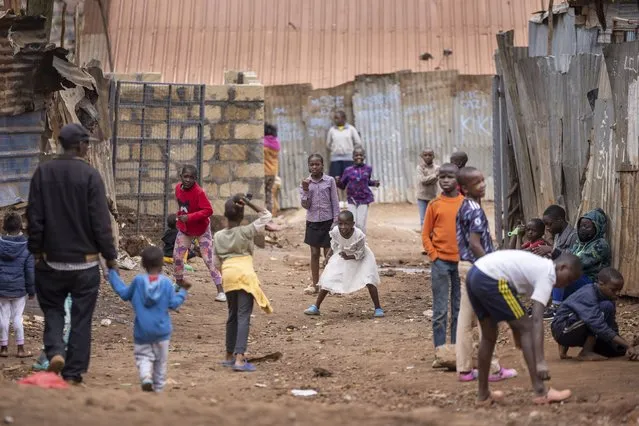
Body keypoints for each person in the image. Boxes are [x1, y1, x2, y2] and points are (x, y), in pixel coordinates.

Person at [27, 123, 118, 384]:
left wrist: (35, 251)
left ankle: (55, 350)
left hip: (50, 263)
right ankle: (74, 372)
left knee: (53, 312)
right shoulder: (90, 176)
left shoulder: (42, 174)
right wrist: (110, 257)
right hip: (85, 266)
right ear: (79, 145)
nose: (88, 147)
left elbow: (35, 218)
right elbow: (100, 223)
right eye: (87, 143)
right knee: (81, 319)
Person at [466, 250, 581, 405]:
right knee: (526, 327)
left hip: (475, 274)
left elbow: (514, 304)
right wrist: (540, 361)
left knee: (489, 336)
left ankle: (483, 395)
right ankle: (541, 392)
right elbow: (536, 320)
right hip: (492, 279)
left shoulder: (538, 265)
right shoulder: (548, 274)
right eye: (568, 279)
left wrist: (516, 330)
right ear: (562, 267)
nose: (565, 285)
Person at [455, 167, 517, 383]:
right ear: (464, 188)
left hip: (465, 266)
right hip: (478, 268)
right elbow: (474, 243)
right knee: (486, 320)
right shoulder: (475, 211)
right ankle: (491, 369)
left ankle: (464, 369)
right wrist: (490, 267)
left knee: (464, 320)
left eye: (483, 180)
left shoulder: (464, 206)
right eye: (477, 183)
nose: (482, 185)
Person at [108, 247, 188, 392]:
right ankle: (158, 388)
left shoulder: (138, 281)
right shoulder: (165, 283)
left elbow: (123, 293)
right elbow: (173, 304)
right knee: (160, 362)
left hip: (142, 331)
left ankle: (146, 377)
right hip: (162, 331)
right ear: (162, 264)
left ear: (143, 265)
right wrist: (183, 291)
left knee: (143, 356)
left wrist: (112, 274)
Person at [214, 194, 273, 372]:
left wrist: (226, 268)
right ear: (242, 217)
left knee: (232, 315)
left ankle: (228, 356)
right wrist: (248, 202)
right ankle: (240, 360)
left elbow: (215, 263)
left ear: (225, 216)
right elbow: (266, 216)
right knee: (243, 316)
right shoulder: (247, 231)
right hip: (245, 275)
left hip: (229, 276)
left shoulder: (218, 236)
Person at [304, 210, 384, 318]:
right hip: (343, 254)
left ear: (352, 224)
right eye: (340, 223)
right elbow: (334, 245)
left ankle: (378, 308)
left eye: (346, 224)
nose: (343, 227)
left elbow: (361, 253)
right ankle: (316, 307)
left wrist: (349, 257)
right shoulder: (336, 231)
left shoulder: (359, 235)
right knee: (328, 278)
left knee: (369, 280)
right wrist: (327, 257)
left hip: (361, 258)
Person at [422, 164, 463, 351]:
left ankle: (456, 351)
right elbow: (425, 234)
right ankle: (440, 351)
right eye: (442, 177)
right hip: (440, 263)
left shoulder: (465, 205)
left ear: (458, 179)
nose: (446, 180)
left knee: (459, 309)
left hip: (461, 264)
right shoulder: (434, 205)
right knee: (440, 310)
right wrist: (434, 255)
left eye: (450, 177)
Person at [552, 267, 635, 361]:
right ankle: (585, 352)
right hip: (562, 329)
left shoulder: (607, 297)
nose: (616, 293)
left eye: (619, 290)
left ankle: (565, 348)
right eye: (613, 290)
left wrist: (625, 345)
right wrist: (627, 345)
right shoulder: (588, 294)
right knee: (601, 314)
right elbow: (598, 325)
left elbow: (611, 325)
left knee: (615, 351)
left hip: (572, 326)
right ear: (601, 284)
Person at [173, 164, 226, 302]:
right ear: (181, 177)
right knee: (177, 256)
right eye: (185, 176)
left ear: (195, 179)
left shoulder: (199, 192)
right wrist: (182, 217)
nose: (188, 180)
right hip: (186, 229)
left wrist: (190, 217)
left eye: (191, 177)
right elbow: (182, 205)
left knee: (208, 259)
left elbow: (208, 210)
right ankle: (179, 283)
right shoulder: (178, 188)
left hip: (202, 229)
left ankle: (221, 290)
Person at [553, 208, 611, 308]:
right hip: (577, 281)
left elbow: (576, 262)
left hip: (592, 283)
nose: (582, 229)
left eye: (587, 227)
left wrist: (555, 252)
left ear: (597, 228)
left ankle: (556, 307)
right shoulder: (579, 243)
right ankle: (547, 303)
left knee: (562, 271)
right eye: (581, 226)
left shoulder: (601, 244)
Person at [299, 154, 340, 295]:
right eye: (312, 164)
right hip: (312, 222)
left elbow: (335, 201)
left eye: (317, 164)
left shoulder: (330, 181)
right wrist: (305, 191)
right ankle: (315, 284)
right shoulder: (305, 183)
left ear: (322, 165)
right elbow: (305, 205)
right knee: (314, 253)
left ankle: (328, 285)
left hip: (327, 221)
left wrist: (335, 222)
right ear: (308, 166)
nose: (314, 167)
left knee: (328, 254)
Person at [0, 213, 35, 358]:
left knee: (3, 316)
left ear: (4, 226)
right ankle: (20, 349)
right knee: (17, 317)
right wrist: (31, 290)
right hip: (19, 289)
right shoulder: (27, 246)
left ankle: (4, 348)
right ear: (21, 226)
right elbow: (30, 271)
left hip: (1, 288)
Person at [336, 147, 380, 233]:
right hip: (352, 199)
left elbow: (367, 181)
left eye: (361, 155)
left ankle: (361, 243)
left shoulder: (368, 168)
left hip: (364, 199)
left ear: (364, 156)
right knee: (353, 223)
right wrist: (338, 182)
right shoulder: (348, 170)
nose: (358, 157)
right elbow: (342, 186)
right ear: (353, 157)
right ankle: (354, 242)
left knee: (360, 223)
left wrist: (374, 183)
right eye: (356, 155)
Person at [326, 111, 362, 206]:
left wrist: (350, 150)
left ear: (344, 118)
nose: (336, 120)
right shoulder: (332, 130)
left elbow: (358, 142)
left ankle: (348, 200)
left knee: (349, 179)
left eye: (338, 118)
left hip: (349, 158)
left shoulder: (350, 129)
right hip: (335, 159)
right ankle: (340, 201)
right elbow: (328, 144)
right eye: (335, 118)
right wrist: (335, 150)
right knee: (336, 180)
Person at [416, 149, 439, 228]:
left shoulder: (437, 168)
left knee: (433, 218)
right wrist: (434, 176)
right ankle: (424, 238)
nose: (428, 157)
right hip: (422, 197)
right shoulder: (419, 168)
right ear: (422, 156)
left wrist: (428, 179)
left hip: (433, 197)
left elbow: (434, 181)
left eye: (430, 155)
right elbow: (422, 181)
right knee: (423, 219)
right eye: (425, 155)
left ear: (433, 156)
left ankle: (433, 237)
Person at [263, 123, 281, 213]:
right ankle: (269, 217)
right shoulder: (276, 144)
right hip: (273, 173)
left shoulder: (264, 145)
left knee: (262, 195)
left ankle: (264, 217)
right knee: (269, 195)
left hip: (265, 173)